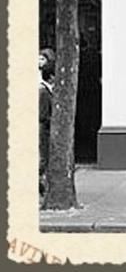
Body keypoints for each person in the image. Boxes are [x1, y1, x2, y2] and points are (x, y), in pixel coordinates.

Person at [38, 48, 55, 197]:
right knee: (43, 159)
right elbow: (43, 115)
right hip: (44, 129)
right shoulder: (43, 91)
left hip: (46, 128)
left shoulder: (47, 90)